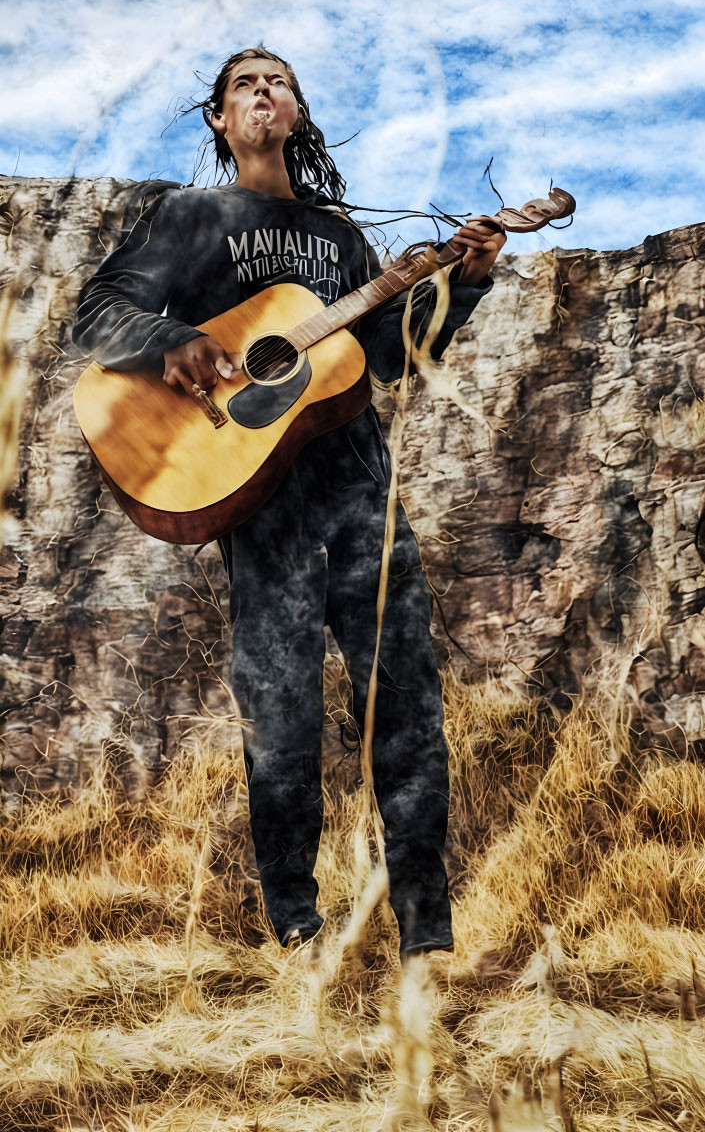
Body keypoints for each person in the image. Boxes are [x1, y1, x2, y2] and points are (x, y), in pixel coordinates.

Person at [72, 47, 506, 955]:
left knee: (407, 704)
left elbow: (388, 354)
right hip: (257, 500)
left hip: (359, 494)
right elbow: (97, 312)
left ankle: (427, 931)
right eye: (244, 84)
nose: (263, 92)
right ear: (220, 121)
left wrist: (461, 284)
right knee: (280, 715)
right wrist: (171, 340)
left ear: (299, 114)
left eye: (279, 81)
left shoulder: (341, 242)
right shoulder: (191, 217)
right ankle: (297, 928)